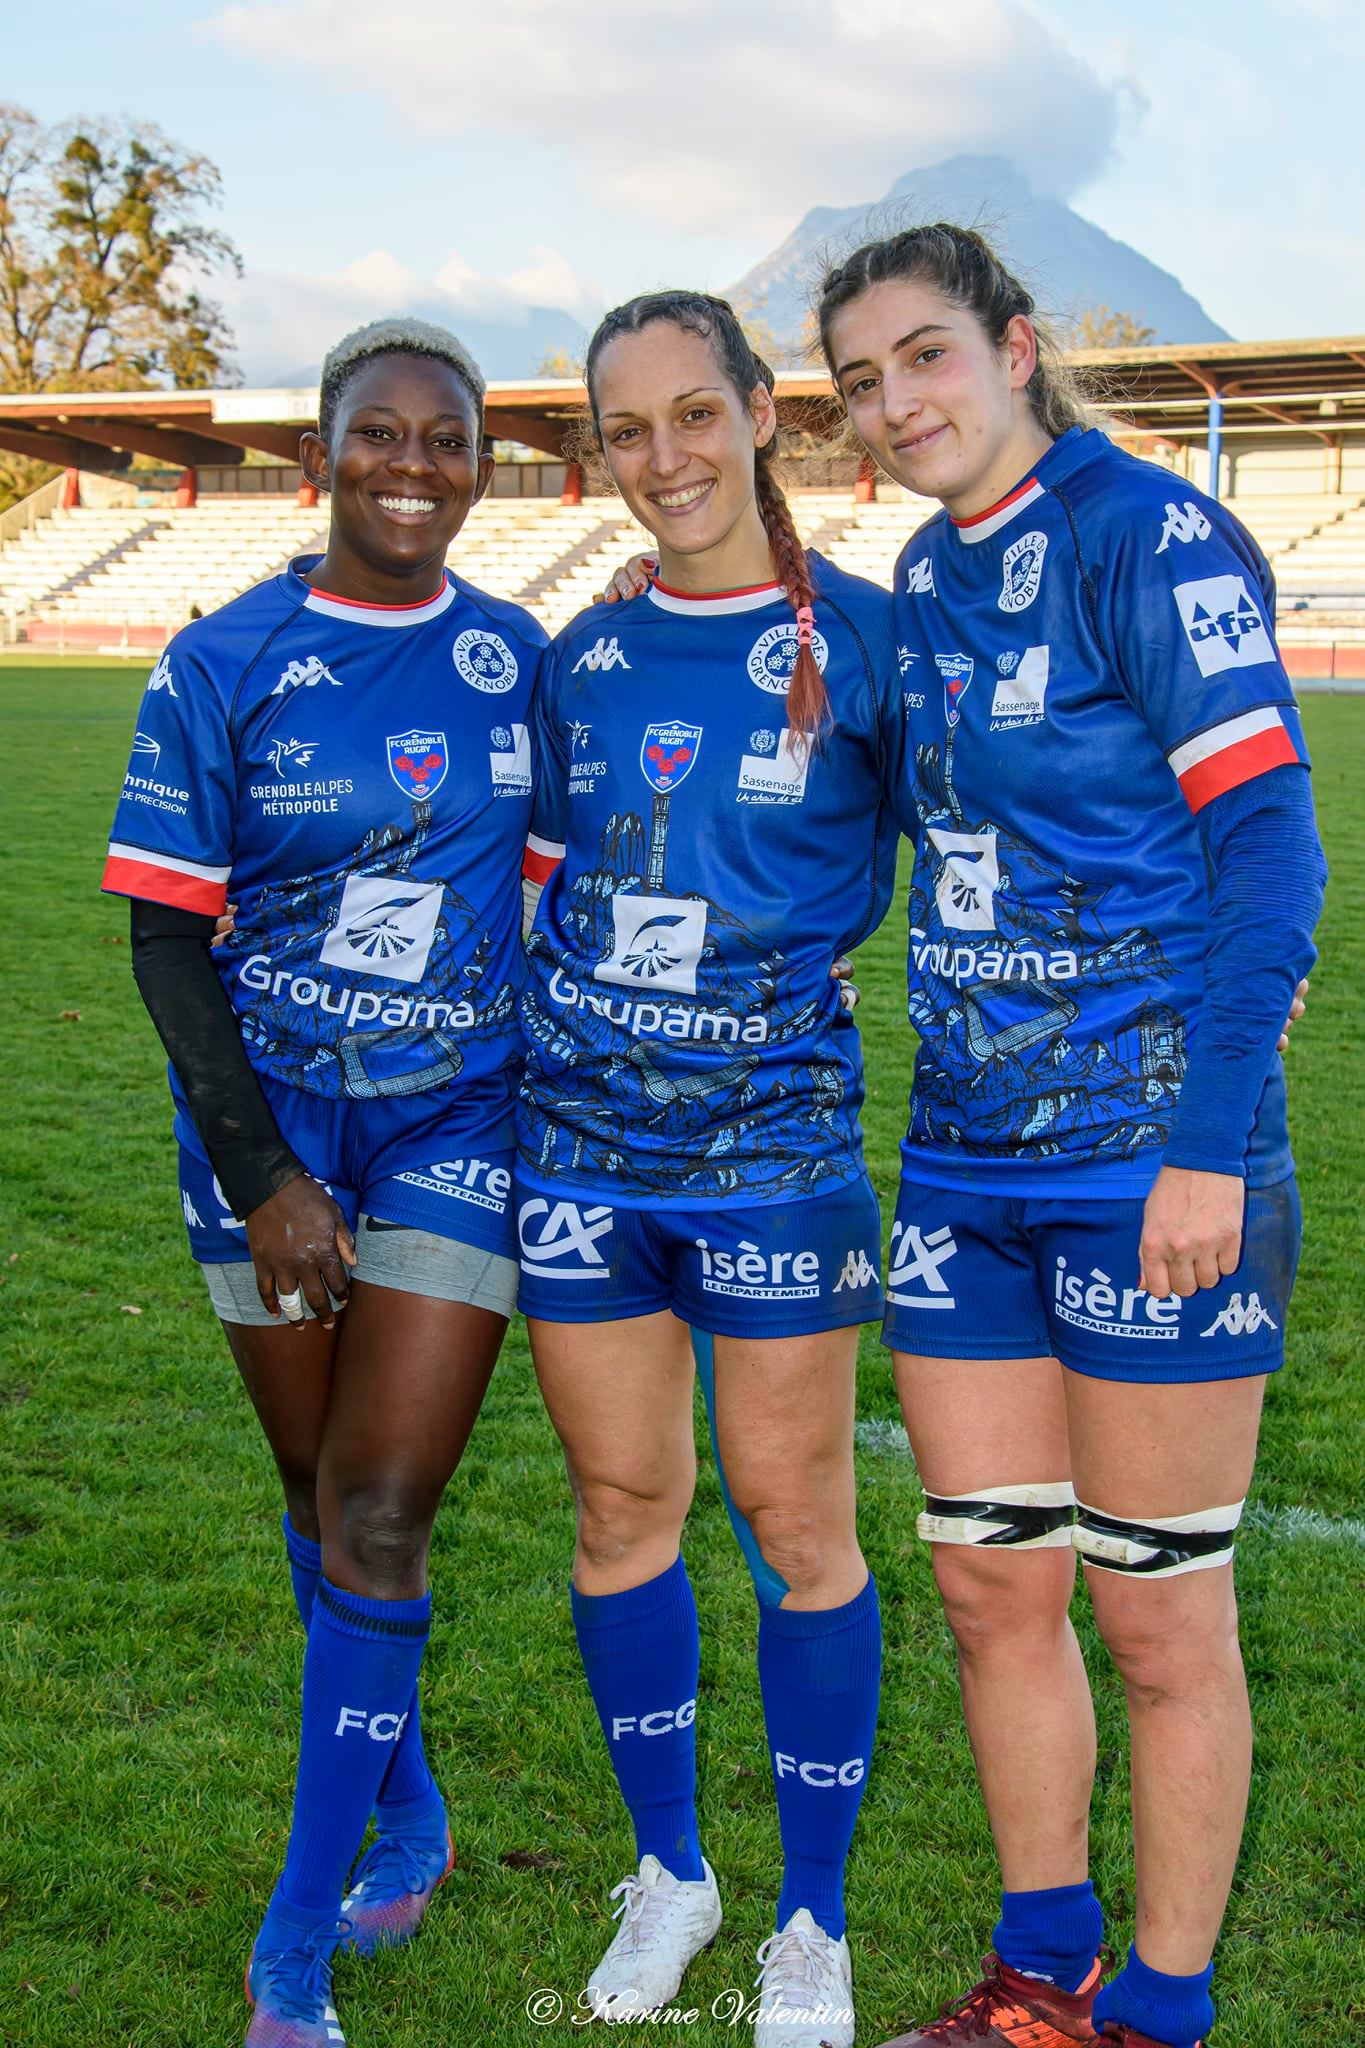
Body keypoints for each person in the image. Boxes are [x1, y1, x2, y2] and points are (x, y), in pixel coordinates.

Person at [807, 225, 1326, 2048]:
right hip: (963, 1163)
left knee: (1159, 1620)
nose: (894, 405)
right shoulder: (918, 578)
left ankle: (1158, 2018)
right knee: (985, 1578)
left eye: (925, 356)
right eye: (860, 381)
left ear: (1018, 348)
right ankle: (1041, 1974)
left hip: (1147, 1167)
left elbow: (1271, 853)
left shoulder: (1146, 533)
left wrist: (1205, 1140)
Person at [102, 317, 548, 2048]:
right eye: (383, 434)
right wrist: (267, 1171)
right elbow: (162, 939)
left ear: (480, 468)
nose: (415, 466)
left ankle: (288, 1953)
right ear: (322, 458)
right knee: (316, 1497)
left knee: (378, 1510)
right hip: (264, 1133)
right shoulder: (224, 657)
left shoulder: (519, 660)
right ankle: (413, 1806)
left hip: (460, 1121)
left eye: (449, 440)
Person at [517, 289, 916, 2047]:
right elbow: (540, 888)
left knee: (796, 1521)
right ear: (599, 448)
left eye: (696, 413)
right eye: (626, 428)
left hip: (775, 1156)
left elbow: (982, 840)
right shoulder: (579, 655)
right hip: (580, 1156)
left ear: (763, 414)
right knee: (619, 1513)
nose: (663, 457)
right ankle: (670, 1876)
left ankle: (810, 1922)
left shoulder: (883, 644)